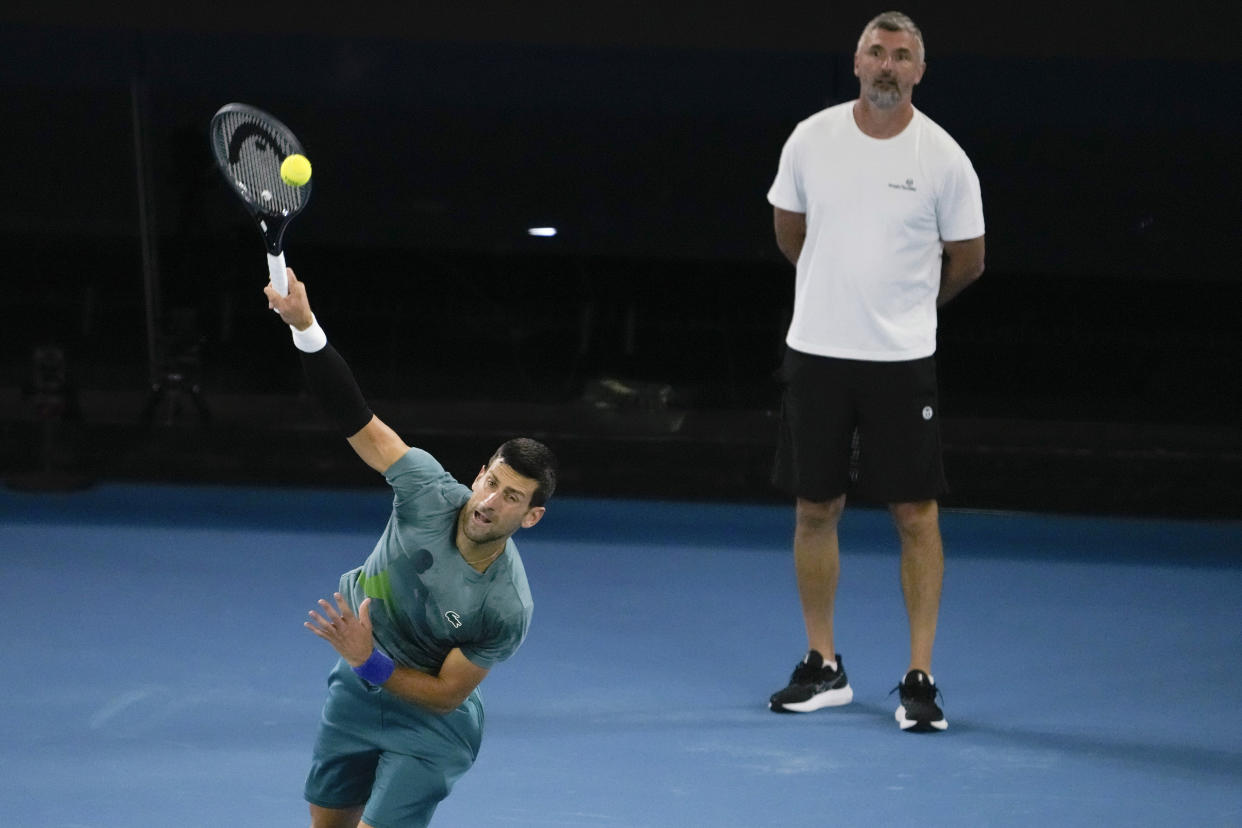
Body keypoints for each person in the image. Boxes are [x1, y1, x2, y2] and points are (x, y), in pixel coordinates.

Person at [264, 268, 558, 826]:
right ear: (478, 476)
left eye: (511, 497)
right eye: (491, 482)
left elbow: (448, 693)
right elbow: (355, 417)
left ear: (531, 517)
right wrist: (305, 326)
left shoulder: (506, 606)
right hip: (355, 691)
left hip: (431, 725)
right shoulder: (425, 487)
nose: (491, 501)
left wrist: (366, 659)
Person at [764, 10, 985, 732]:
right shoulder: (810, 138)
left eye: (902, 55)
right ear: (857, 62)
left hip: (901, 362)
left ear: (920, 71)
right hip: (817, 353)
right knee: (813, 508)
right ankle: (822, 665)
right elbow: (791, 231)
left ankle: (919, 677)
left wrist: (907, 306)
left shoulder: (944, 157)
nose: (887, 65)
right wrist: (837, 294)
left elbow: (969, 258)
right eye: (876, 52)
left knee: (915, 514)